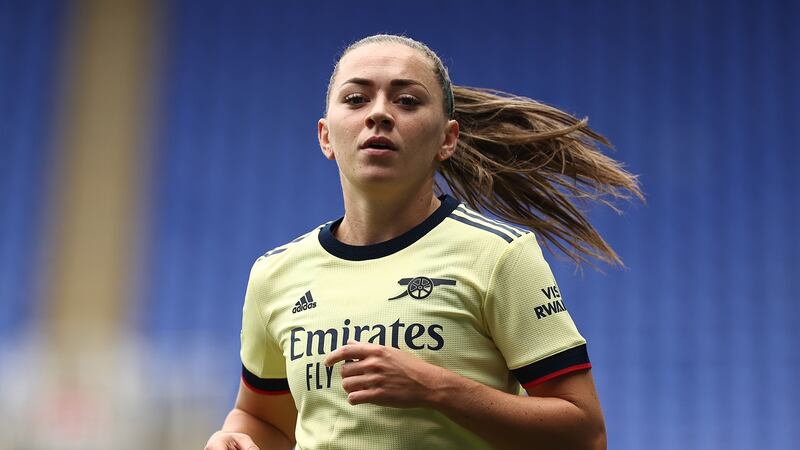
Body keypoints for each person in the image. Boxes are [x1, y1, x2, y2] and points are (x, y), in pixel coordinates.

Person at [205, 34, 641, 450]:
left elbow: (585, 437)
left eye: (407, 100)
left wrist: (434, 387)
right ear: (325, 137)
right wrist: (236, 437)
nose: (378, 114)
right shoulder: (276, 273)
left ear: (447, 139)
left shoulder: (499, 255)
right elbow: (263, 419)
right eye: (356, 99)